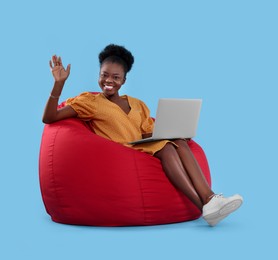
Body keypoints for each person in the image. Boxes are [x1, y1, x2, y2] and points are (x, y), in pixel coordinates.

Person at [42, 44, 243, 227]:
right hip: (121, 151)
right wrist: (58, 84)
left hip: (142, 146)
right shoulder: (90, 102)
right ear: (99, 74)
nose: (108, 81)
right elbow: (50, 117)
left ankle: (210, 198)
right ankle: (205, 203)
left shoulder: (138, 104)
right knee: (166, 148)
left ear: (124, 80)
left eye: (115, 77)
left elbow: (148, 132)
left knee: (178, 142)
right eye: (104, 75)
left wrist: (174, 130)